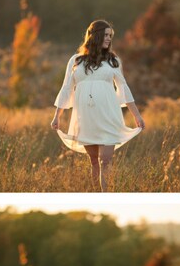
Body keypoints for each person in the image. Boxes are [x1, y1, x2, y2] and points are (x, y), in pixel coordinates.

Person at [50, 20, 145, 192]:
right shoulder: (76, 61)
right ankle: (97, 197)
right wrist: (57, 116)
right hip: (86, 117)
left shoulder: (113, 61)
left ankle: (106, 195)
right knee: (94, 161)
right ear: (95, 36)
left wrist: (137, 115)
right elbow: (66, 88)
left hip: (108, 115)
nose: (109, 39)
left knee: (105, 160)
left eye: (110, 36)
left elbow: (123, 88)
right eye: (106, 35)